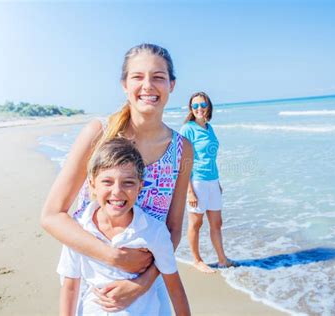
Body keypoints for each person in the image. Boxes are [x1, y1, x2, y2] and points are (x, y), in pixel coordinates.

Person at [41, 43, 193, 313]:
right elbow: (52, 215)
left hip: (150, 286)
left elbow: (173, 229)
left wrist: (141, 284)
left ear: (172, 84)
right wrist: (114, 257)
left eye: (158, 77)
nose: (148, 85)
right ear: (125, 84)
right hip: (93, 282)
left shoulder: (182, 149)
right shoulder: (99, 133)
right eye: (138, 77)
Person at [58, 138, 190, 315]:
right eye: (107, 182)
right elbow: (70, 288)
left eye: (128, 182)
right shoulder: (79, 229)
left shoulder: (154, 231)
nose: (117, 192)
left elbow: (175, 290)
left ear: (140, 187)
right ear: (92, 185)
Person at [179, 92, 232, 273]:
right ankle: (197, 260)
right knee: (196, 223)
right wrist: (190, 191)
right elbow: (183, 162)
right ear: (191, 109)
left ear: (208, 106)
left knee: (217, 223)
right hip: (197, 182)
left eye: (202, 105)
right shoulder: (188, 129)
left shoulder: (210, 128)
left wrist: (217, 182)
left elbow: (211, 158)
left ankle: (222, 259)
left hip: (212, 181)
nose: (199, 109)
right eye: (195, 106)